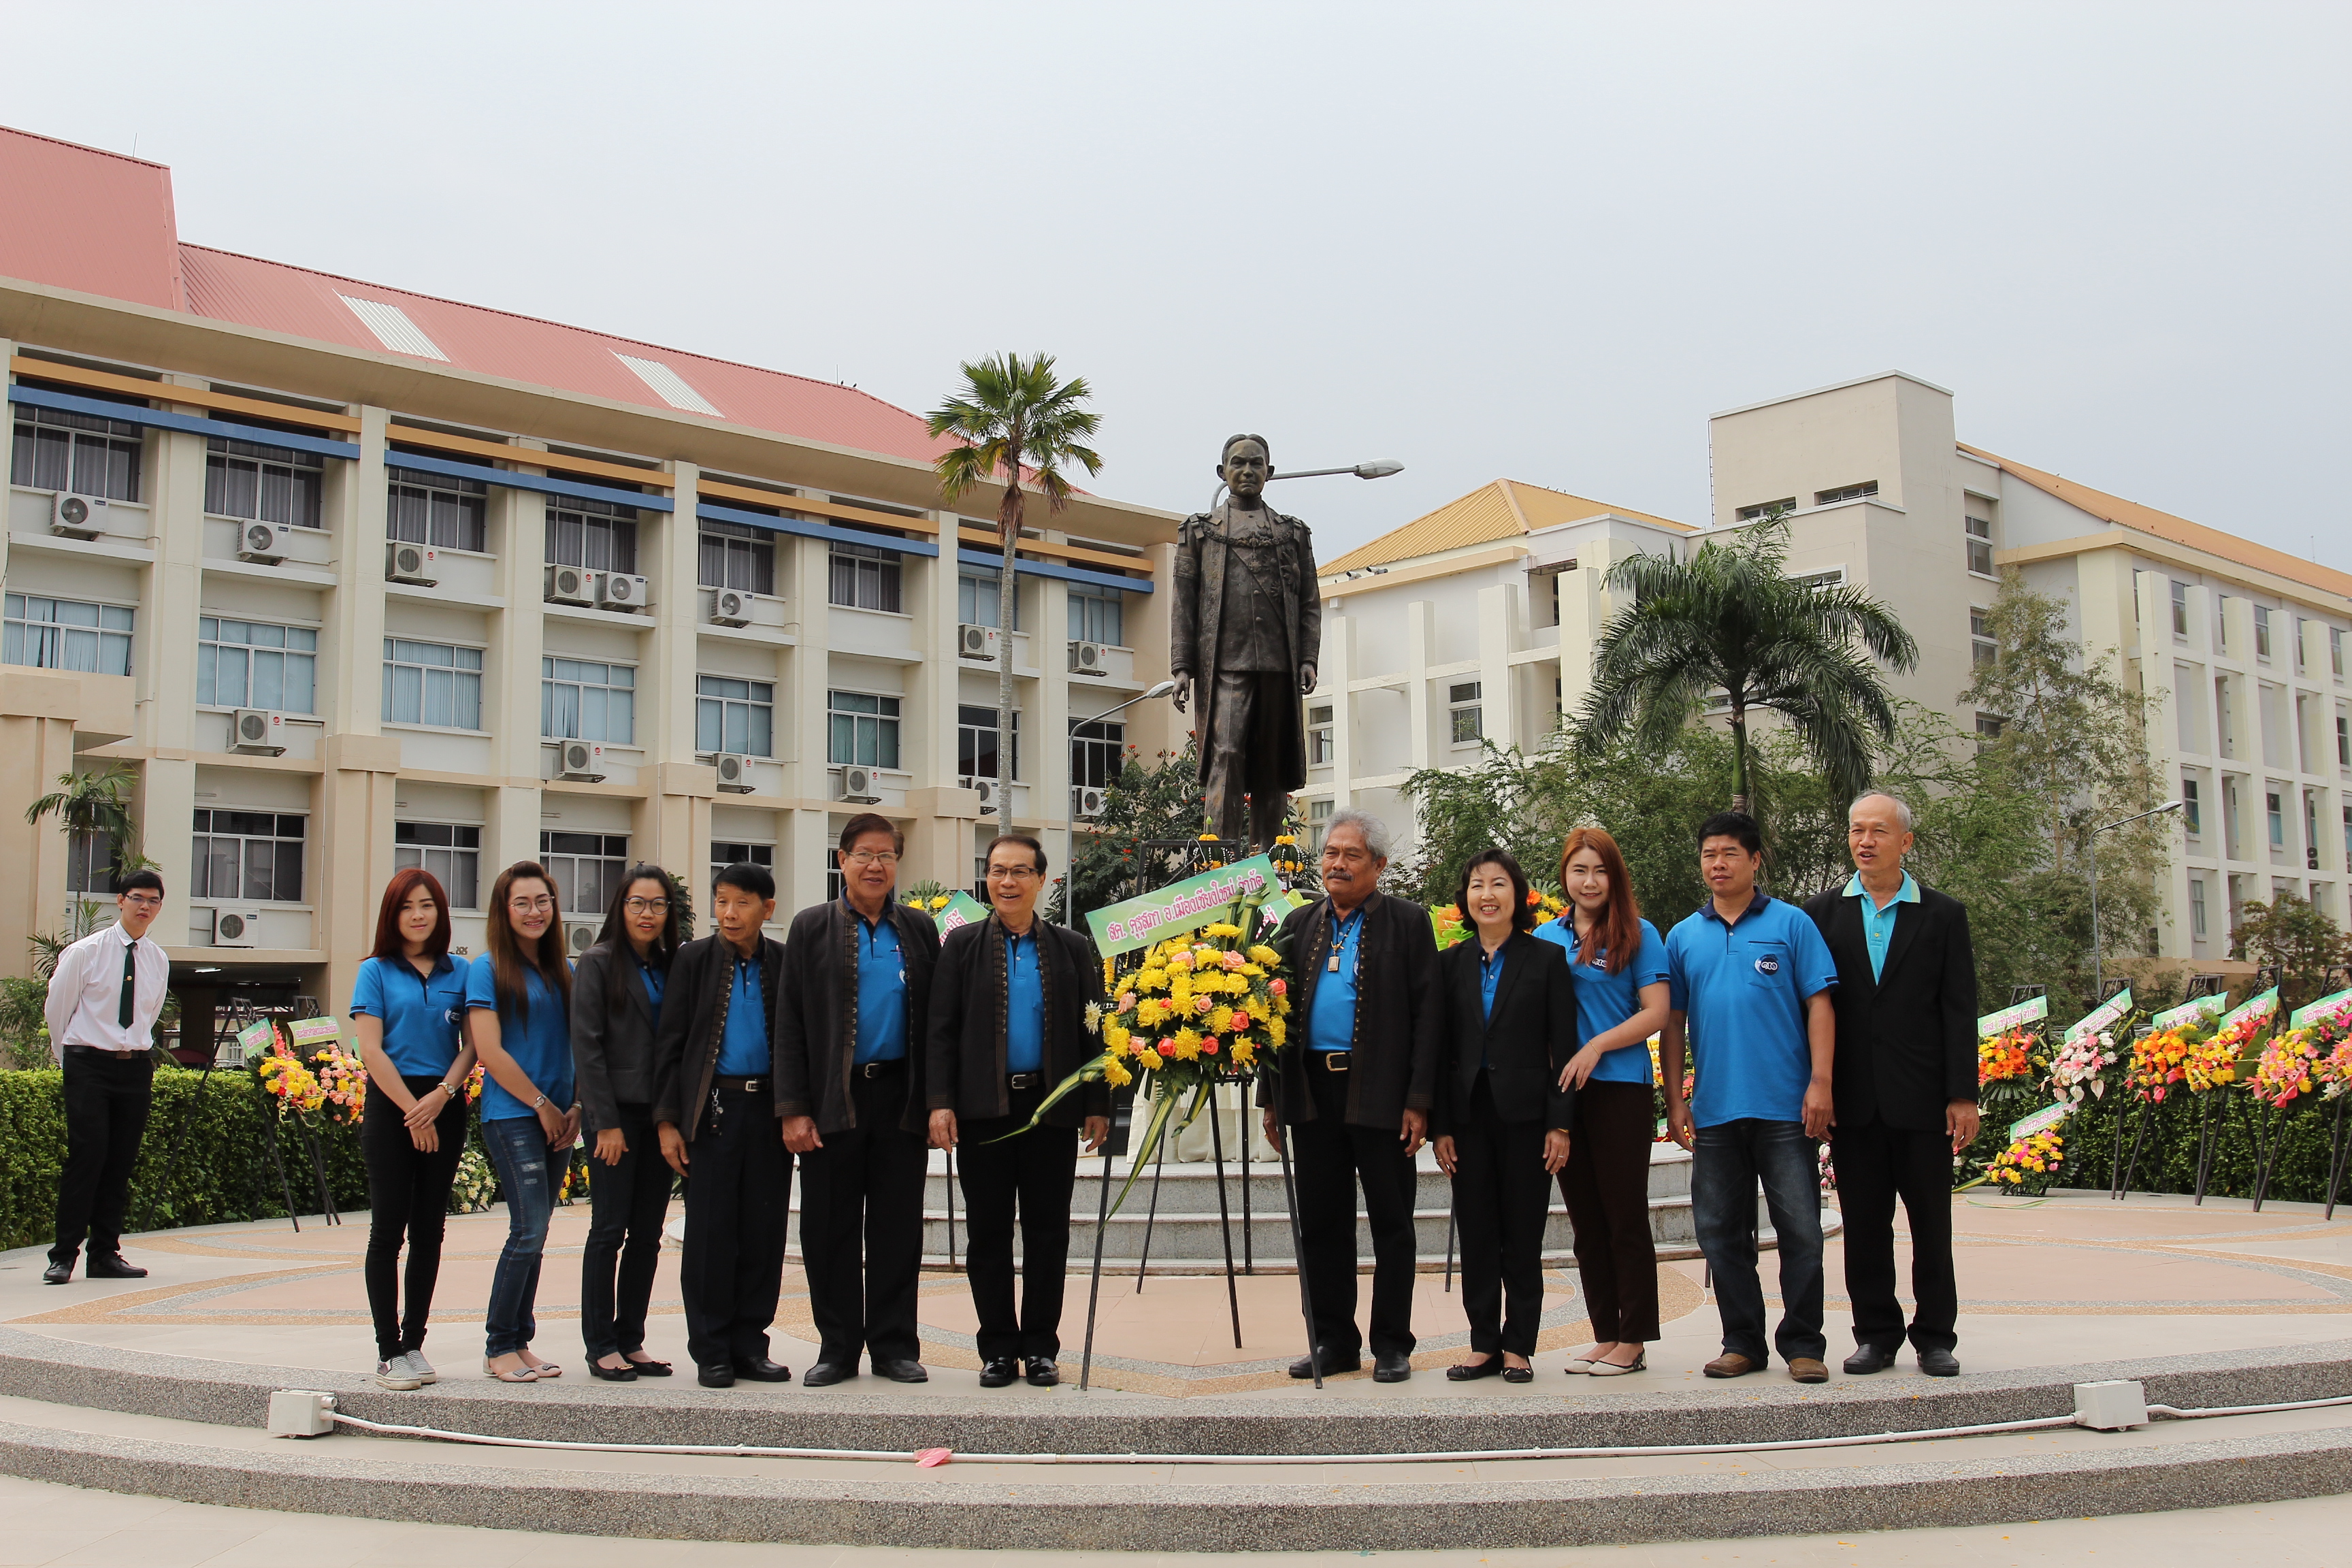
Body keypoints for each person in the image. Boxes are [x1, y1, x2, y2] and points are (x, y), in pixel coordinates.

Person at [1261, 808, 1441, 1384]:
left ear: (1379, 865)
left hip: (1383, 1093)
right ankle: (1333, 1341)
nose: (1337, 864)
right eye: (1331, 853)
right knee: (1321, 1224)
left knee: (1393, 1222)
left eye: (1351, 855)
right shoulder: (1299, 923)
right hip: (1313, 1092)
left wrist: (1419, 1099)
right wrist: (1272, 1098)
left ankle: (1392, 1343)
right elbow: (1272, 1016)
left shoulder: (1408, 922)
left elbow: (1429, 1016)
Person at [1803, 791, 1979, 1378]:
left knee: (1931, 1227)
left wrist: (1963, 1094)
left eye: (1878, 831)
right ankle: (1875, 1336)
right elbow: (1811, 1008)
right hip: (1852, 1102)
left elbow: (1959, 1009)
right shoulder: (1820, 914)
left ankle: (1935, 1337)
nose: (1865, 841)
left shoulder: (1943, 915)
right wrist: (1817, 1086)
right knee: (1865, 1228)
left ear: (1905, 841)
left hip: (1923, 1101)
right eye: (1857, 830)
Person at [1660, 812, 1840, 1384]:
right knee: (1720, 1233)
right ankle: (1742, 1342)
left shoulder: (1792, 924)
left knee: (1801, 1231)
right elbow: (1672, 1022)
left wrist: (1820, 1083)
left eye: (1730, 853)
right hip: (1715, 1111)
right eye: (1709, 854)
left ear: (1755, 860)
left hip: (1785, 1108)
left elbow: (1820, 1005)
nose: (1718, 864)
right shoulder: (1683, 936)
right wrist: (1676, 1100)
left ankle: (1804, 1345)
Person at [926, 833, 1109, 1389]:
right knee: (987, 1233)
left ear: (1041, 880)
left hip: (1051, 1109)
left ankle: (1041, 1348)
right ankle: (998, 1349)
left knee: (1048, 1232)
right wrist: (940, 1103)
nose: (1007, 882)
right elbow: (940, 1031)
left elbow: (1094, 1030)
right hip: (984, 1109)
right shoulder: (961, 947)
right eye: (997, 871)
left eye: (1020, 872)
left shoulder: (1071, 947)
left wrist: (1098, 1103)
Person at [777, 814, 941, 1387]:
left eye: (887, 856)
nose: (876, 866)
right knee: (829, 1228)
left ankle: (894, 1346)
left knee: (898, 1227)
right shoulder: (811, 927)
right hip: (832, 1099)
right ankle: (838, 1349)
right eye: (865, 855)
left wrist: (937, 1101)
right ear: (842, 860)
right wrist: (793, 1108)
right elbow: (790, 1022)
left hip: (899, 1097)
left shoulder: (918, 929)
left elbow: (936, 1023)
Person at [1430, 848, 1574, 1384]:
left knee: (1522, 1235)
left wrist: (1560, 1123)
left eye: (1498, 884)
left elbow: (1564, 1045)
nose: (1487, 895)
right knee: (1477, 1233)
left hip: (1528, 1118)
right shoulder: (1450, 964)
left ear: (1519, 895)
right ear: (1465, 898)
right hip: (1468, 1119)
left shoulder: (1546, 960)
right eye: (1477, 885)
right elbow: (1439, 1051)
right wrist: (1442, 1126)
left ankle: (1519, 1346)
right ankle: (1483, 1344)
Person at [1537, 827, 1671, 1377]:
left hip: (1620, 1088)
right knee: (1586, 1221)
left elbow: (1656, 1012)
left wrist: (1596, 1045)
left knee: (1624, 1216)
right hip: (1565, 1094)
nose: (1589, 881)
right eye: (1579, 870)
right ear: (1565, 876)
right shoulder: (1545, 936)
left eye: (1599, 871)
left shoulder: (1638, 933)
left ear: (1614, 877)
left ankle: (1634, 1338)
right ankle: (1606, 1333)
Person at [652, 861, 791, 1389]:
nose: (729, 913)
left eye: (742, 903)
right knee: (711, 1235)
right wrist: (668, 1122)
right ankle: (711, 1350)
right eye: (722, 901)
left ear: (767, 909)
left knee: (763, 1233)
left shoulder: (783, 960)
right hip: (712, 1113)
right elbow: (670, 1044)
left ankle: (750, 1346)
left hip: (769, 1113)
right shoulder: (693, 960)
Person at [349, 868, 477, 1390]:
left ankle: (415, 1343)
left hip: (445, 1101)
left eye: (427, 905)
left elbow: (473, 1045)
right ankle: (388, 1351)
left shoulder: (461, 971)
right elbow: (371, 1050)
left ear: (440, 913)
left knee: (429, 1230)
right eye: (407, 907)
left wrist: (441, 1096)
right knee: (388, 1230)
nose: (418, 915)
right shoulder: (375, 971)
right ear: (392, 915)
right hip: (392, 1105)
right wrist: (413, 1111)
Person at [1169, 433, 1322, 849]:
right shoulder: (1199, 532)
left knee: (1272, 765)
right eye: (1239, 463)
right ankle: (1217, 858)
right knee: (1227, 754)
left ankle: (1270, 860)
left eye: (1256, 464)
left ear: (1269, 472)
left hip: (1279, 664)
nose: (1248, 471)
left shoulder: (1293, 533)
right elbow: (1183, 603)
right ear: (1223, 472)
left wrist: (1308, 658)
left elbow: (1309, 602)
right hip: (1226, 664)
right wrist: (1182, 666)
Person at [571, 864, 686, 1382]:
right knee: (608, 1230)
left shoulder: (670, 964)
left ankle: (631, 1338)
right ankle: (600, 1345)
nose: (647, 913)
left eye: (658, 904)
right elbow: (587, 1047)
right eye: (638, 903)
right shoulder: (597, 963)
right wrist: (605, 1123)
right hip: (614, 1119)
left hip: (658, 1116)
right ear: (621, 907)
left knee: (647, 1234)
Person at [468, 861, 578, 1384]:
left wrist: (577, 1108)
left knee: (539, 1230)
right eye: (522, 903)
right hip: (514, 1115)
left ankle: (520, 1342)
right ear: (504, 911)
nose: (535, 912)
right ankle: (498, 1347)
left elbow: (582, 1044)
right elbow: (489, 1050)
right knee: (528, 1229)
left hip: (561, 1118)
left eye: (542, 901)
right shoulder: (487, 969)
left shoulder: (564, 970)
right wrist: (541, 1104)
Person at [42, 870, 171, 1286]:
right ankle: (63, 1256)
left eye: (153, 900)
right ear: (120, 900)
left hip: (134, 1067)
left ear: (159, 907)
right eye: (137, 898)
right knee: (87, 1156)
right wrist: (67, 1059)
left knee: (120, 1161)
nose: (144, 906)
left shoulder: (158, 959)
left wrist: (133, 1049)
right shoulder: (86, 951)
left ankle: (104, 1254)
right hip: (88, 1064)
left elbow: (149, 1014)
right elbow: (57, 1008)